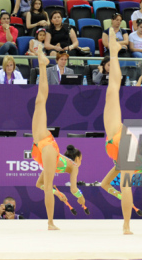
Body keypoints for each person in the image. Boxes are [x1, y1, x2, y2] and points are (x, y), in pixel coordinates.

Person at [101, 29, 142, 234]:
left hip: (117, 140)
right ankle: (126, 226)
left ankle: (114, 52)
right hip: (114, 144)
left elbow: (105, 186)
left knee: (113, 89)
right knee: (112, 90)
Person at [31, 49, 84, 230]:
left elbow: (39, 184)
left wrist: (56, 192)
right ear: (76, 158)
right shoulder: (74, 167)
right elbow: (74, 189)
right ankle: (51, 223)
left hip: (45, 145)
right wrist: (80, 196)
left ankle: (42, 65)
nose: (80, 161)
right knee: (41, 100)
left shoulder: (65, 165)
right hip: (48, 147)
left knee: (40, 101)